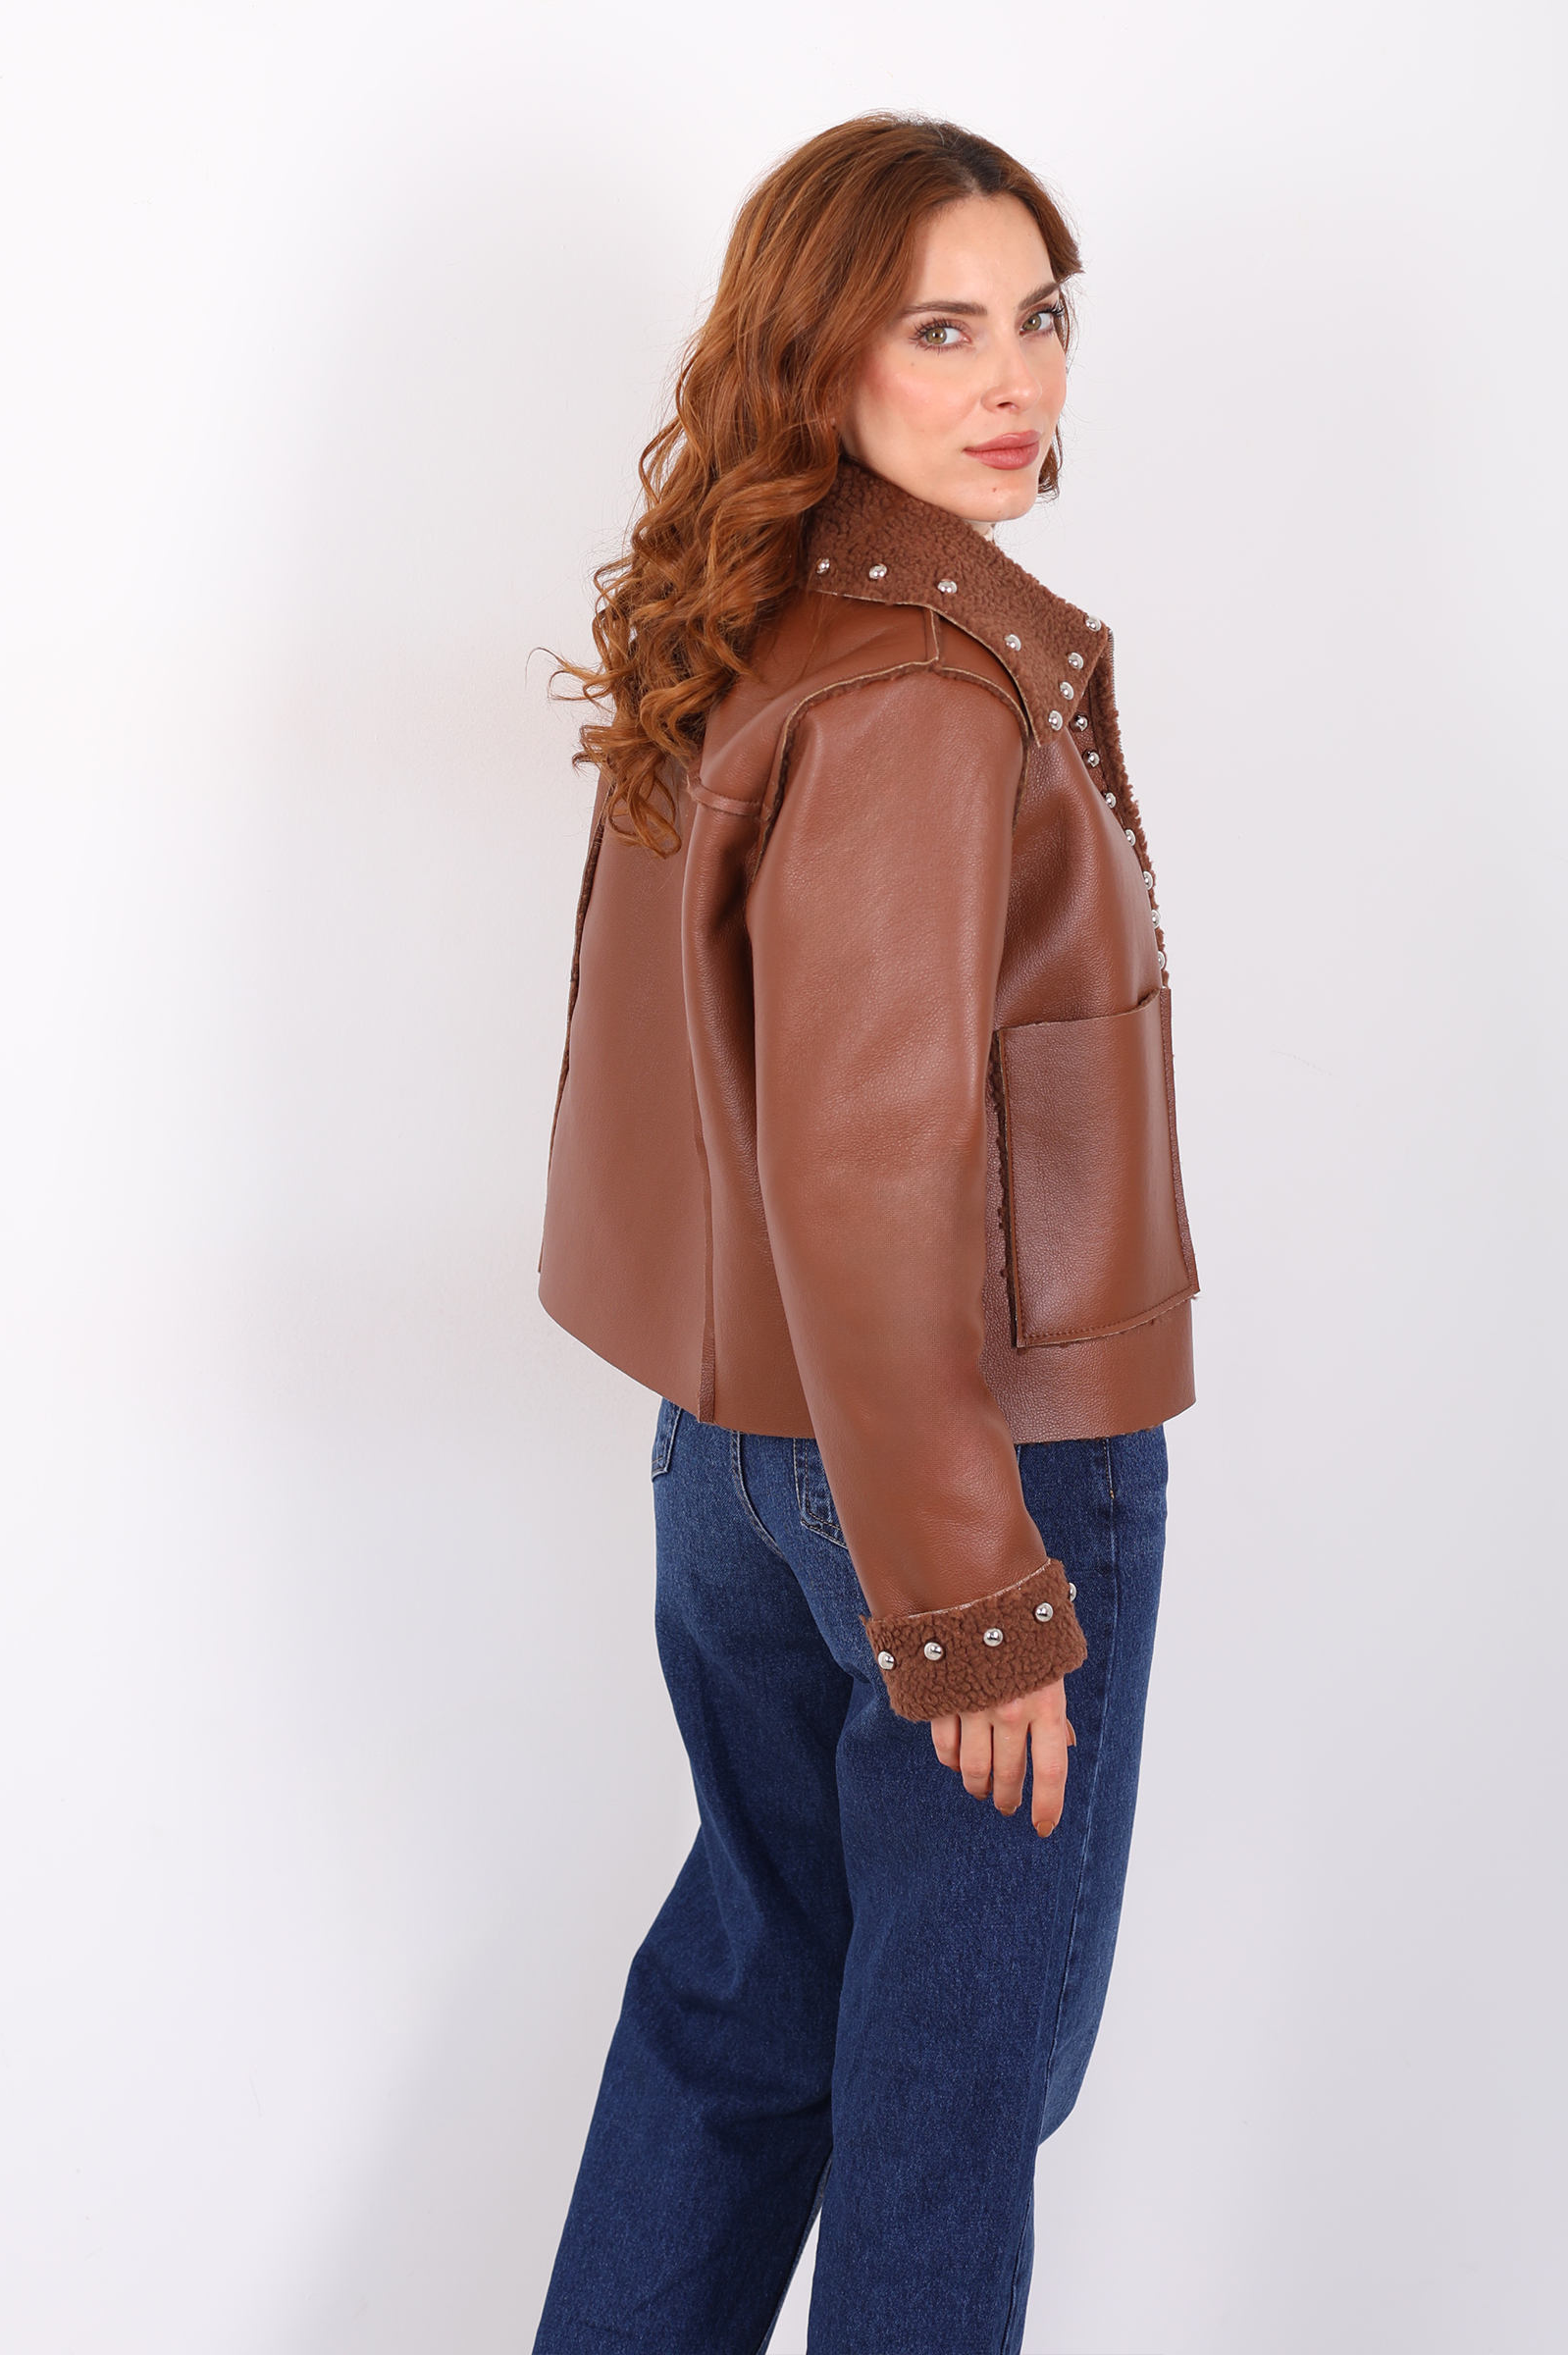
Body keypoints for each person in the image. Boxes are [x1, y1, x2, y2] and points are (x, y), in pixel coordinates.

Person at [531, 111, 1200, 2355]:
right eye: (941, 328)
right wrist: (971, 1596)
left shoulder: (767, 612)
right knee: (943, 2099)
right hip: (960, 1466)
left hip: (737, 1448)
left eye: (1037, 316)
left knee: (748, 2011)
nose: (1014, 378)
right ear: (819, 354)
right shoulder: (920, 683)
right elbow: (862, 1160)